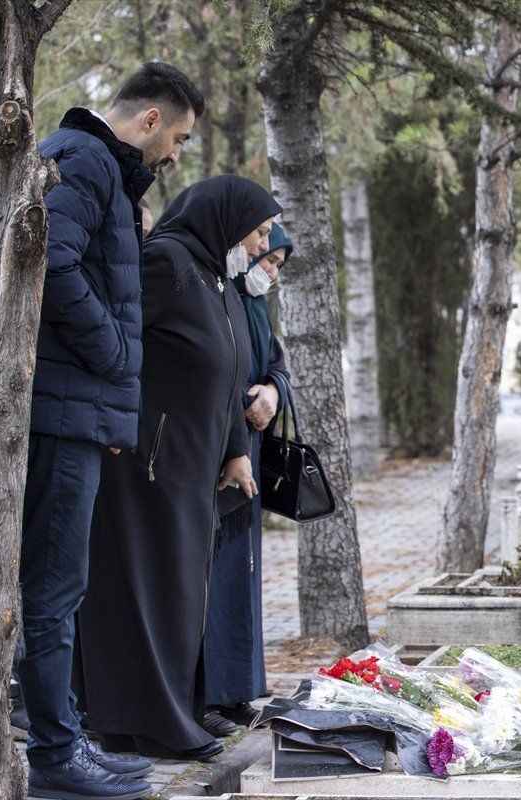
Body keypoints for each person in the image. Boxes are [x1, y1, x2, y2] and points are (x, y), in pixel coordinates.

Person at [23, 62, 202, 800]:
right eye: (179, 138)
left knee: (60, 586)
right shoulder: (87, 160)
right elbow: (48, 262)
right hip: (64, 409)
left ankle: (64, 739)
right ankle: (55, 756)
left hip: (74, 408)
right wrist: (115, 353)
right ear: (150, 120)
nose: (177, 155)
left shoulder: (96, 167)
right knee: (54, 588)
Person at [76, 176, 281, 761]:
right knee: (151, 593)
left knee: (181, 594)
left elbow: (230, 372)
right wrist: (117, 424)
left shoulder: (215, 277)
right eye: (259, 231)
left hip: (192, 465)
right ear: (224, 219)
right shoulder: (166, 262)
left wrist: (236, 448)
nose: (262, 244)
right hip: (148, 459)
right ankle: (152, 725)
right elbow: (115, 346)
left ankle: (165, 717)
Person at [202, 224, 294, 735]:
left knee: (245, 572)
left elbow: (275, 364)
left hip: (251, 452)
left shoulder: (255, 305)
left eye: (279, 264)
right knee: (215, 574)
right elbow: (215, 369)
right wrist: (244, 405)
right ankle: (208, 693)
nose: (272, 272)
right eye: (269, 259)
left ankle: (239, 688)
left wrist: (272, 393)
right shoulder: (222, 296)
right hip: (222, 451)